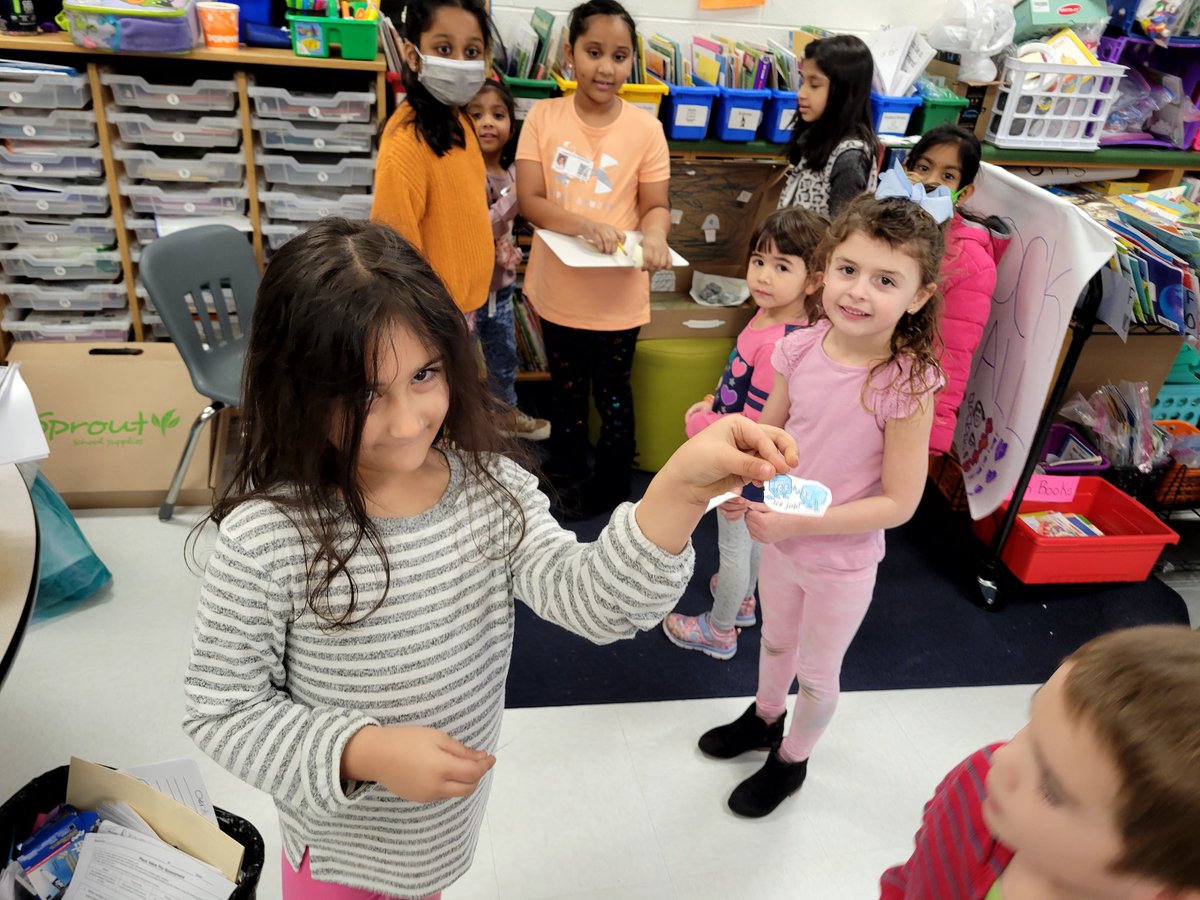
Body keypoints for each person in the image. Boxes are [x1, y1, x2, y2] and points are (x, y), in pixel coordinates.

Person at [182, 219, 797, 900]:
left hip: (442, 835)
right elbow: (221, 710)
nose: (407, 421)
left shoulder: (492, 491)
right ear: (296, 385)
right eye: (363, 393)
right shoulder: (266, 537)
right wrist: (365, 752)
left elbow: (598, 602)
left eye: (423, 375)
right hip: (337, 853)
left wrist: (677, 490)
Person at [697, 182, 949, 819]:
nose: (858, 292)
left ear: (919, 297)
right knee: (774, 642)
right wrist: (744, 483)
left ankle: (792, 760)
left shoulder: (906, 383)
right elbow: (769, 436)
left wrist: (796, 524)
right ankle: (764, 719)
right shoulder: (799, 346)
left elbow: (899, 503)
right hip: (780, 540)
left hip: (840, 560)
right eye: (847, 270)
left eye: (885, 280)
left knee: (816, 672)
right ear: (825, 270)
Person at [880, 625, 1200, 900]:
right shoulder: (974, 784)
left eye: (1050, 788)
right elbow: (913, 874)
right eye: (1031, 726)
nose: (1003, 758)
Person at [515, 0, 672, 519]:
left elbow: (656, 205)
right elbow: (531, 200)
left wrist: (655, 235)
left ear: (632, 61)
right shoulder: (544, 117)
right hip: (558, 290)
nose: (606, 68)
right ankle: (564, 471)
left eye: (620, 56)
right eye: (594, 52)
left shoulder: (646, 129)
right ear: (570, 53)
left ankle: (611, 483)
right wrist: (586, 226)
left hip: (617, 300)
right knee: (565, 393)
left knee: (612, 394)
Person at [662, 207, 827, 660]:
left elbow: (758, 427)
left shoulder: (779, 341)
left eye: (782, 266)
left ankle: (720, 630)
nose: (763, 275)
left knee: (733, 547)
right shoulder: (771, 318)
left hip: (742, 463)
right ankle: (746, 600)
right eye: (758, 260)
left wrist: (701, 426)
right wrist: (714, 402)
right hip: (751, 457)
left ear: (813, 281)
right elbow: (741, 386)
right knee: (752, 538)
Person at [371, 0, 492, 322]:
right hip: (433, 318)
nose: (460, 63)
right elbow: (391, 254)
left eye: (472, 52)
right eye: (444, 49)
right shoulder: (405, 145)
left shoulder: (461, 120)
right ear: (413, 56)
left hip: (466, 306)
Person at [905, 124, 1011, 455]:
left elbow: (950, 356)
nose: (930, 181)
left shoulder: (971, 264)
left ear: (963, 193)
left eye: (948, 176)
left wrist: (933, 433)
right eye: (923, 167)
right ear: (906, 169)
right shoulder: (881, 226)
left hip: (903, 406)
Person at [465, 79, 552, 441]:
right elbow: (477, 225)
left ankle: (505, 414)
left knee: (504, 355)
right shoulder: (464, 174)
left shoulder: (515, 173)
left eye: (498, 115)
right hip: (465, 290)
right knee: (459, 359)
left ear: (511, 128)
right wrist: (516, 199)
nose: (487, 122)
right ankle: (457, 422)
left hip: (501, 287)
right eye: (476, 115)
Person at [777, 34, 880, 217]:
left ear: (844, 92)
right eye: (802, 81)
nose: (801, 93)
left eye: (814, 85)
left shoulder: (850, 159)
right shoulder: (817, 136)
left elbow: (841, 230)